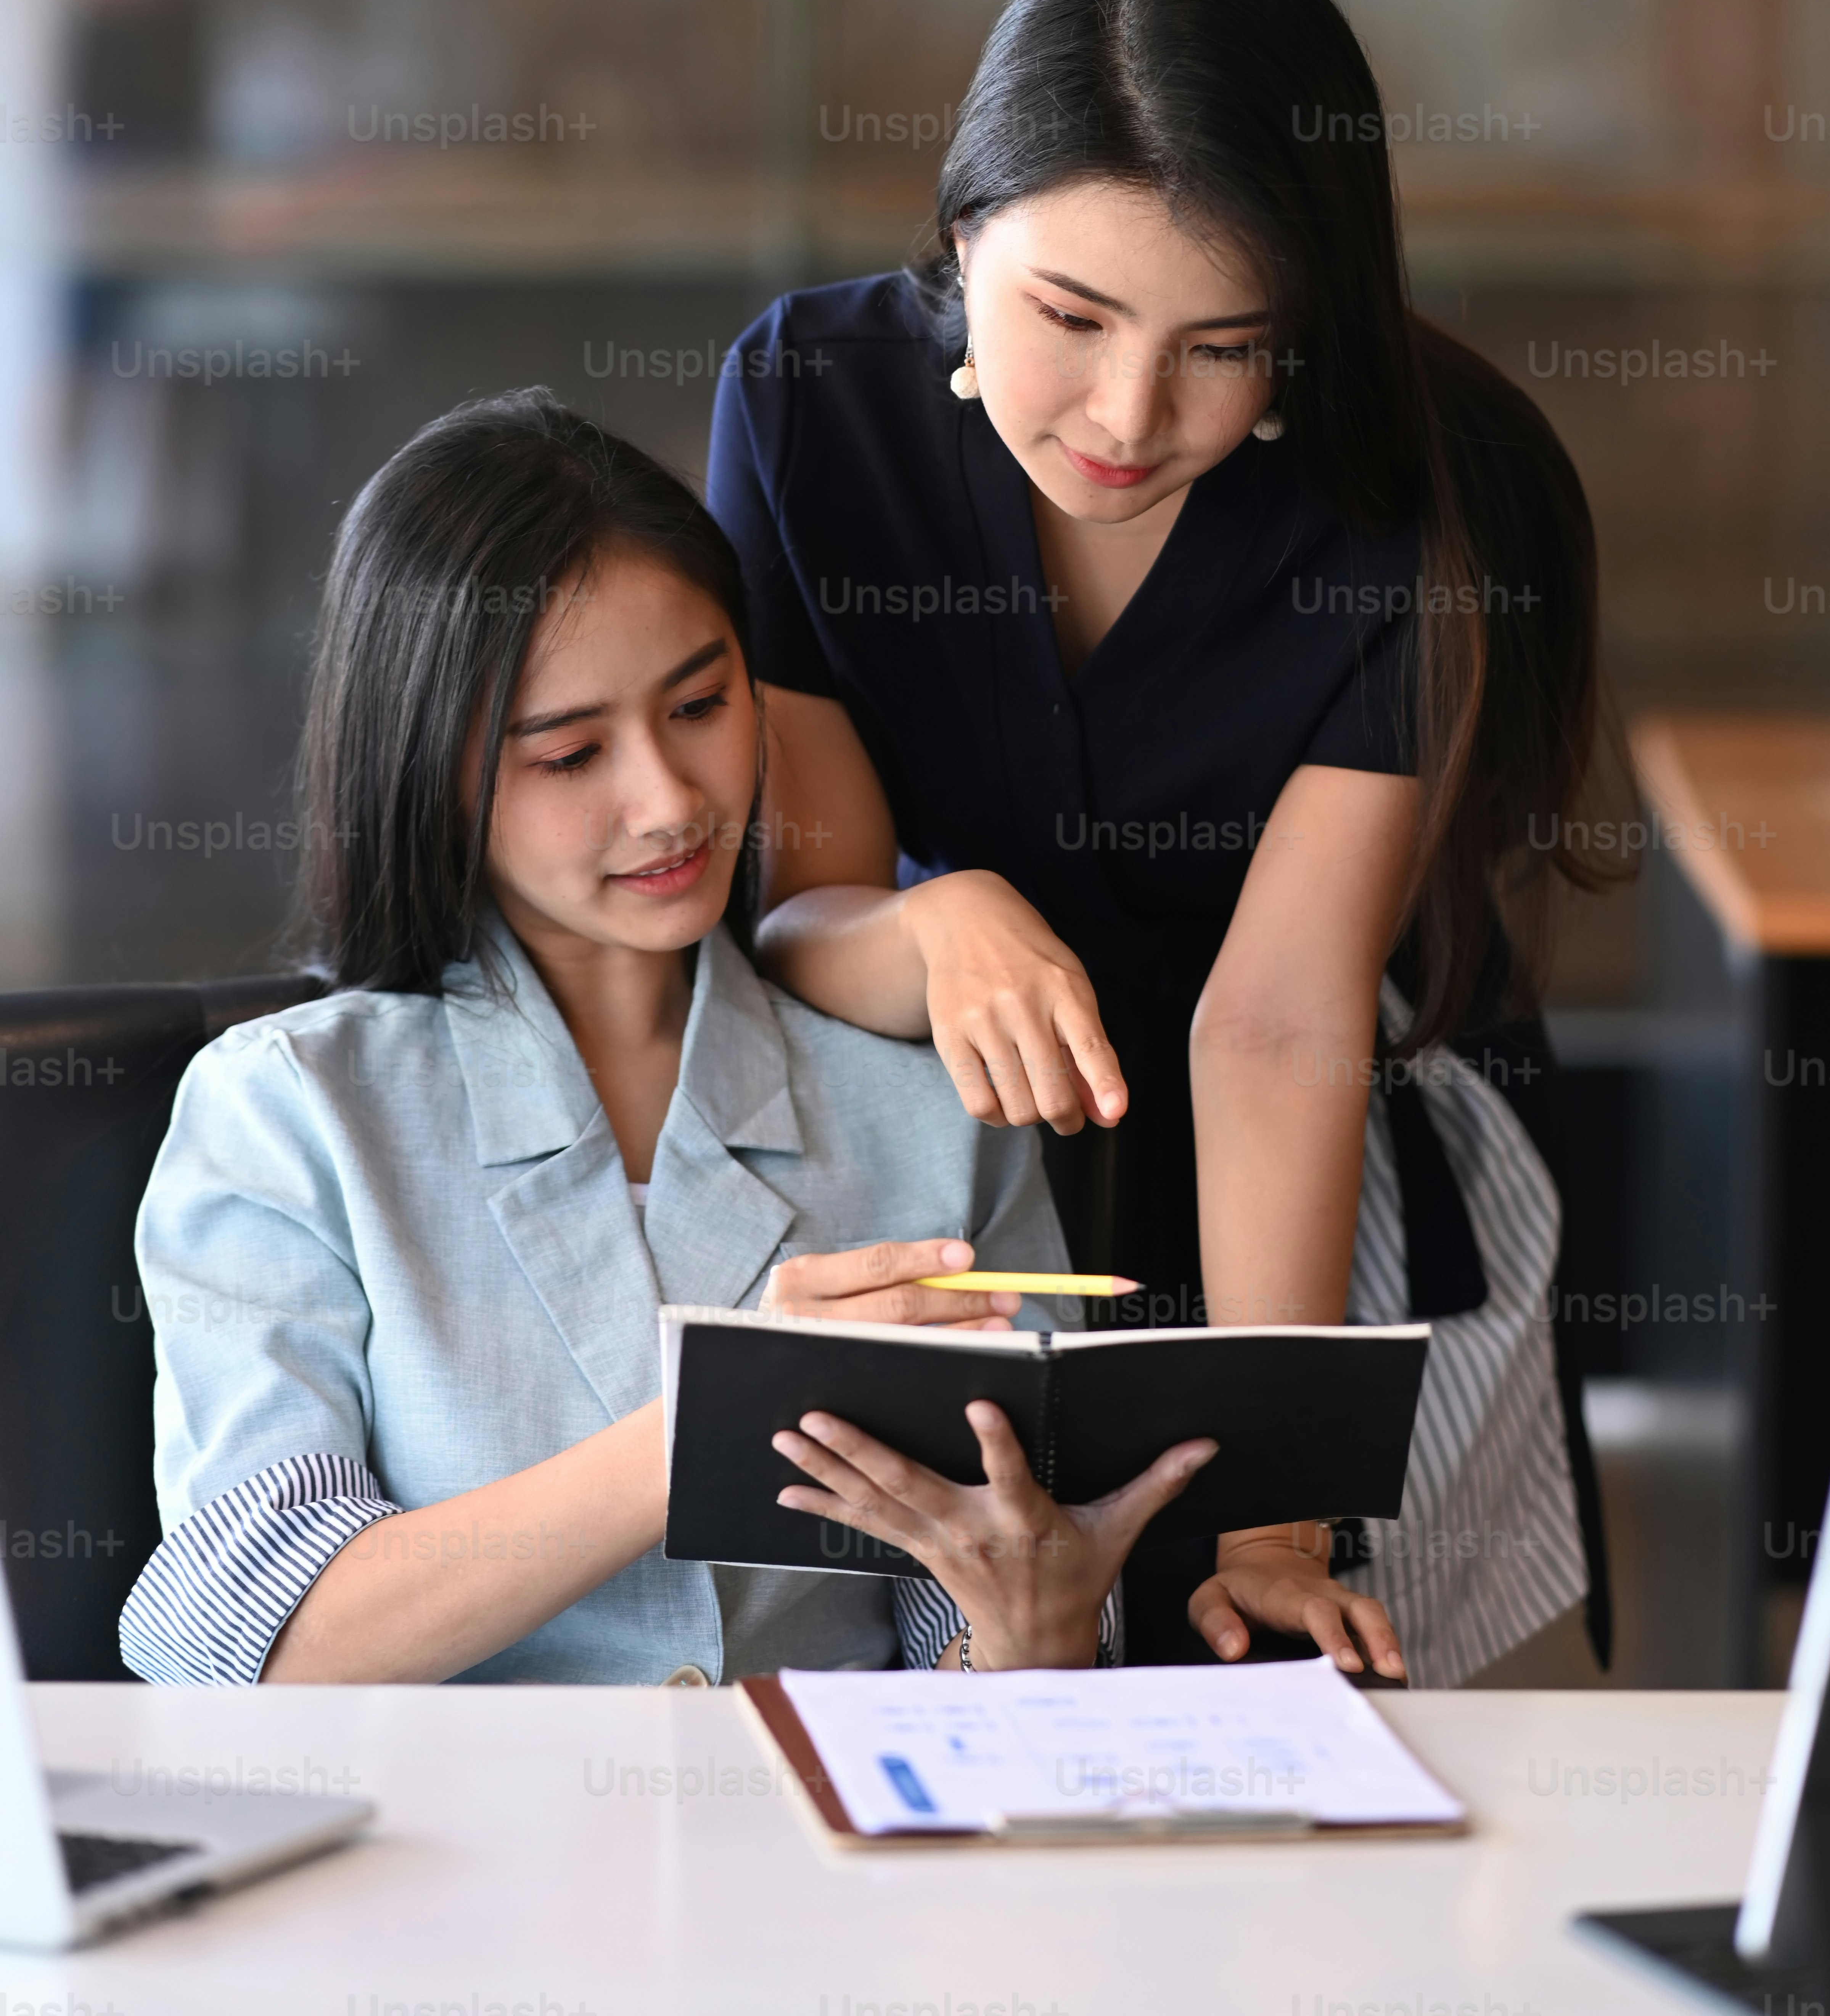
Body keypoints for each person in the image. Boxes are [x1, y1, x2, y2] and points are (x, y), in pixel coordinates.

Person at [710, 0, 1624, 1687]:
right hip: (968, 1122)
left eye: (1229, 346)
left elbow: (1279, 1021)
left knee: (1356, 1722)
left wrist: (1275, 1514)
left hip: (1334, 1134)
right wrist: (929, 914)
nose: (1131, 413)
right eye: (1069, 316)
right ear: (966, 230)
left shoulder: (1415, 497)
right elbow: (798, 921)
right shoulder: (812, 403)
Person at [119, 394, 1214, 1687]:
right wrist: (723, 1409)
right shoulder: (296, 1111)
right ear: (430, 770)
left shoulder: (932, 1111)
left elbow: (979, 1682)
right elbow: (249, 1645)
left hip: (827, 1861)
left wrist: (1034, 1623)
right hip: (453, 1868)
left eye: (700, 707)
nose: (671, 803)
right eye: (573, 754)